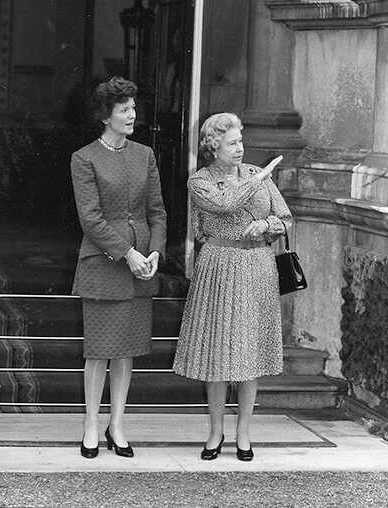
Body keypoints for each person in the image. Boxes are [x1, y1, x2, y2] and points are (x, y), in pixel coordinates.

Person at [173, 112, 292, 461]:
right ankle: (215, 432)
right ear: (213, 146)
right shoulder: (200, 181)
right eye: (232, 142)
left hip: (257, 266)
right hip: (220, 267)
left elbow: (285, 218)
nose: (240, 148)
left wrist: (268, 224)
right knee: (217, 353)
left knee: (250, 352)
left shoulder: (256, 174)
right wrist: (264, 176)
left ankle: (243, 432)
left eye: (241, 141)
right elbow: (226, 203)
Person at [70, 76, 166, 459]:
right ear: (105, 115)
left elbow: (157, 211)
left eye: (133, 108)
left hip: (143, 265)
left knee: (125, 351)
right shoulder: (84, 158)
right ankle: (91, 423)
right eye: (124, 109)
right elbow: (91, 220)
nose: (132, 114)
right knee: (98, 351)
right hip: (104, 264)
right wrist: (128, 253)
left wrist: (155, 252)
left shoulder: (145, 155)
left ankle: (118, 424)